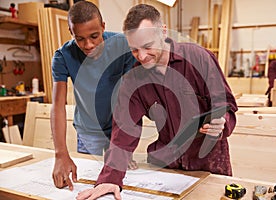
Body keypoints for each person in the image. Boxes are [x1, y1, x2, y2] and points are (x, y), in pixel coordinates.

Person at [76, 4, 238, 200]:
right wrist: (110, 179)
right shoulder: (133, 81)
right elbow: (123, 133)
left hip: (209, 164)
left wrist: (223, 124)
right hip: (169, 169)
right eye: (134, 50)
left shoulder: (199, 58)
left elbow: (227, 106)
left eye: (147, 46)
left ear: (163, 31)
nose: (142, 56)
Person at [50, 1, 136, 191]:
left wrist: (123, 143)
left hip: (118, 128)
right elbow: (58, 105)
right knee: (87, 184)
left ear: (103, 26)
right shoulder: (62, 56)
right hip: (88, 131)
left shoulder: (122, 46)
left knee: (125, 183)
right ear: (71, 32)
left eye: (94, 36)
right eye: (80, 38)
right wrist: (60, 154)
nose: (88, 45)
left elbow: (132, 97)